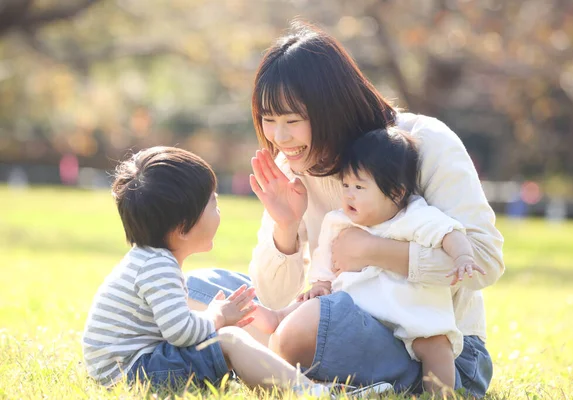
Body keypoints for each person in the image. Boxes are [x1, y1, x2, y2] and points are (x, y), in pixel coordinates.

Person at [186, 22, 504, 398]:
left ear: (332, 108)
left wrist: (373, 252)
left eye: (292, 121)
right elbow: (271, 299)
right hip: (337, 320)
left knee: (306, 325)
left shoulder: (425, 142)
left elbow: (484, 262)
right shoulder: (293, 167)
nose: (279, 138)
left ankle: (261, 361)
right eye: (268, 121)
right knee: (197, 290)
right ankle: (294, 373)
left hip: (436, 351)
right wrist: (285, 228)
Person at [81, 146, 335, 395]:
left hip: (129, 367)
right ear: (182, 228)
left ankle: (284, 382)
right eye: (213, 204)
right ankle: (310, 392)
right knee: (229, 340)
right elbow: (181, 333)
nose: (219, 211)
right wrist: (217, 316)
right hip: (132, 373)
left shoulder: (149, 260)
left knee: (224, 341)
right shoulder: (157, 267)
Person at [298, 127, 485, 393]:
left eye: (359, 187)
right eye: (346, 185)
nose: (349, 194)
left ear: (396, 193)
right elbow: (324, 258)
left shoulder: (415, 216)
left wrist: (463, 256)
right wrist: (320, 283)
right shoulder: (337, 221)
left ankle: (440, 395)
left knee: (436, 346)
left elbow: (449, 232)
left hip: (414, 314)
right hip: (364, 317)